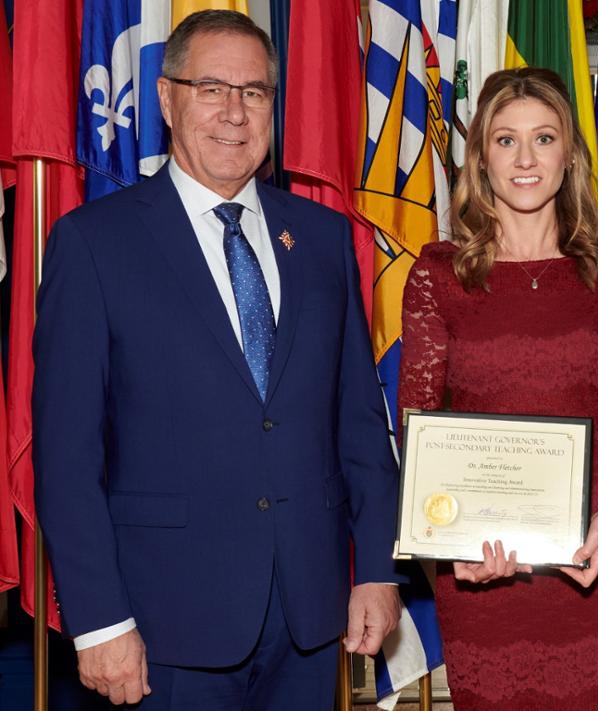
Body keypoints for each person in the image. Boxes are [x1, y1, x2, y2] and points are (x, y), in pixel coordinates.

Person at [33, 10, 402, 710]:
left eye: (255, 92)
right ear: (168, 99)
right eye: (211, 88)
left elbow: (358, 422)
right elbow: (67, 456)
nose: (235, 112)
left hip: (310, 618)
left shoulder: (322, 240)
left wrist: (378, 568)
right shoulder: (93, 244)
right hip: (162, 627)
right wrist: (101, 621)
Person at [397, 67, 598, 710]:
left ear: (569, 156)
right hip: (481, 581)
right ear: (481, 158)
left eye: (544, 138)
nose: (526, 158)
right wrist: (448, 553)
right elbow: (419, 428)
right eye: (505, 140)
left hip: (594, 566)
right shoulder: (437, 276)